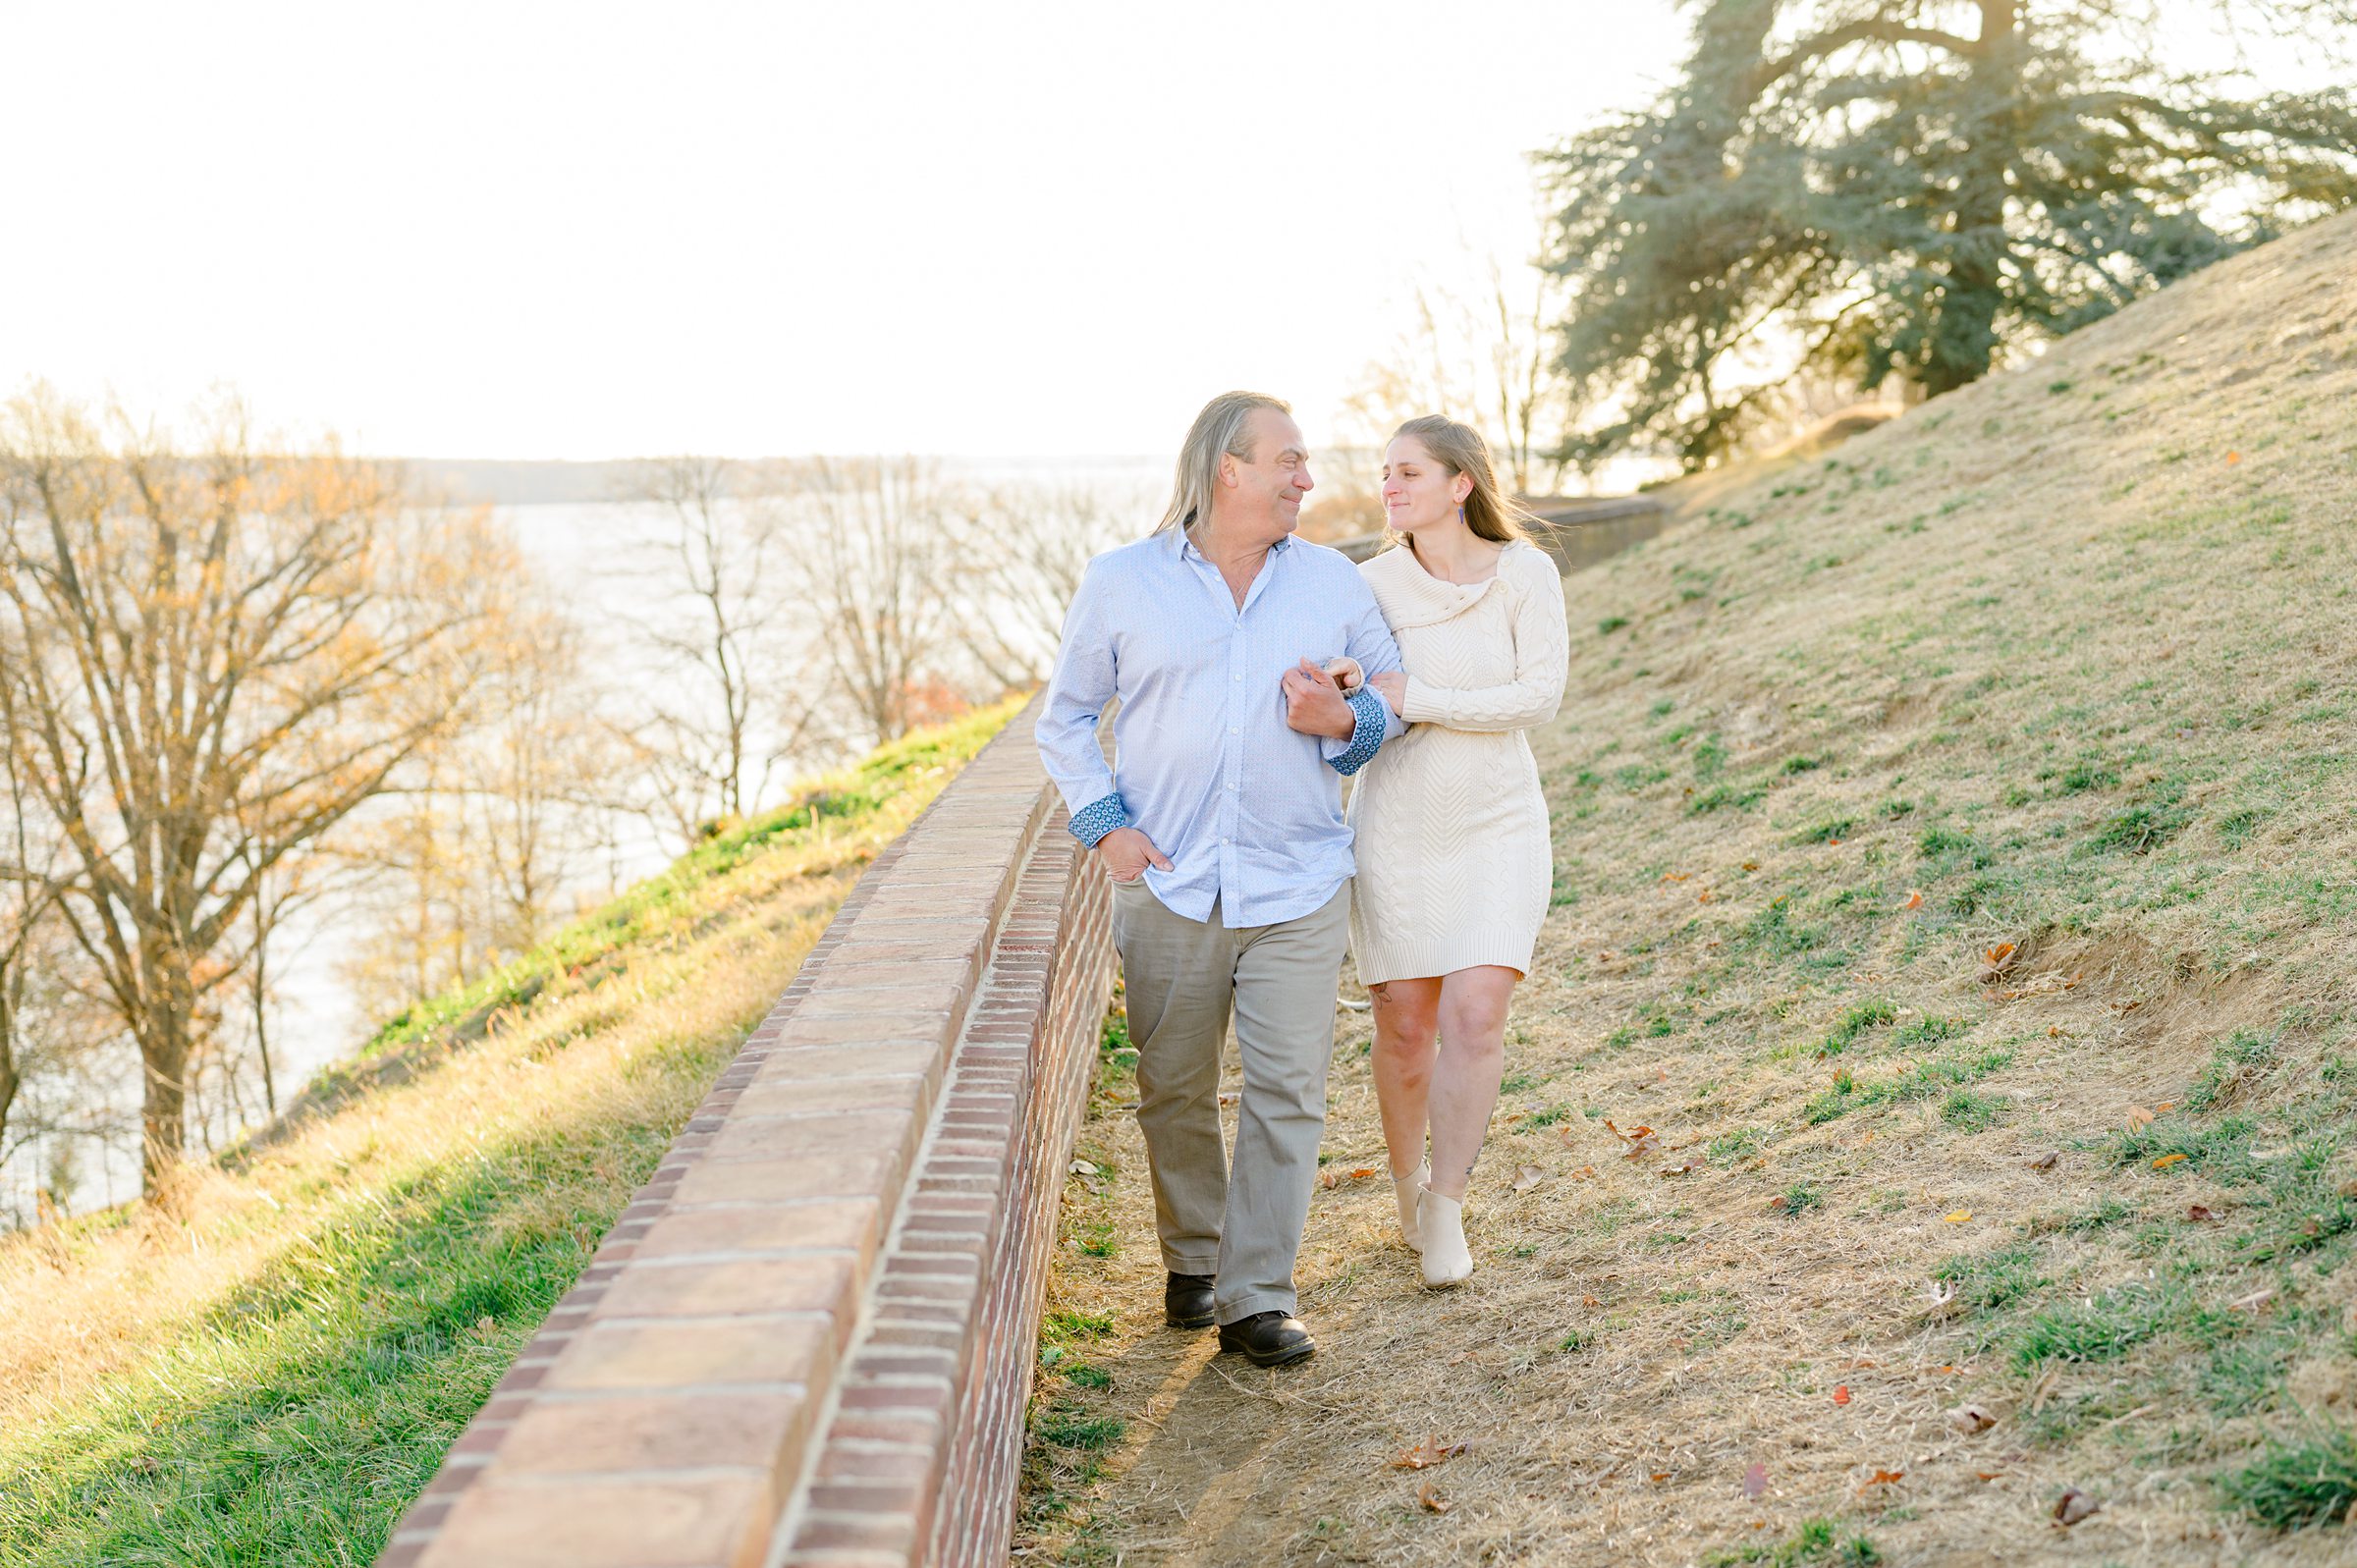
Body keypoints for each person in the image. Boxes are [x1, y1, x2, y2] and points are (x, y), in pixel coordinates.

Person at [1036, 391, 1403, 1367]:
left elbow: (1390, 697)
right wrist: (1109, 828)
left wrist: (1348, 723)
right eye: (1289, 460)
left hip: (1299, 881)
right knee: (1174, 1084)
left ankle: (1256, 1296)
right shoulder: (1122, 582)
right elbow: (1064, 718)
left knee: (1288, 1089)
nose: (1307, 478)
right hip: (1169, 883)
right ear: (1226, 469)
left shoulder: (1332, 581)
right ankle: (1194, 1259)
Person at [1302, 415, 1567, 1287]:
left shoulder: (1526, 573)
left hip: (1498, 819)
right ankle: (1408, 1189)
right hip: (1400, 825)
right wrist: (1355, 692)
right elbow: (1367, 703)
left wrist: (1423, 693)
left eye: (1408, 471)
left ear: (1461, 484)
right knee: (1405, 1026)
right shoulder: (1367, 583)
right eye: (1385, 474)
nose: (1390, 486)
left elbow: (1537, 696)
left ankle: (1449, 1207)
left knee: (1476, 1015)